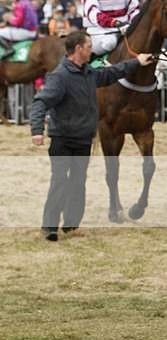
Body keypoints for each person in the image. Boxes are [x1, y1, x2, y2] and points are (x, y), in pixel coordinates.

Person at [29, 30, 153, 240]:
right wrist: (37, 131)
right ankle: (49, 226)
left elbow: (113, 73)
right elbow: (41, 102)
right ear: (78, 49)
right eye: (88, 47)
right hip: (63, 139)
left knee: (78, 182)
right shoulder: (60, 77)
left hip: (83, 139)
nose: (91, 50)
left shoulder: (89, 73)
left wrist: (137, 62)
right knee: (59, 181)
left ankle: (71, 224)